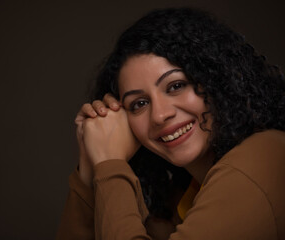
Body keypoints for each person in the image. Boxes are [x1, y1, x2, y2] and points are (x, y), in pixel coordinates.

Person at [56, 7, 285, 240]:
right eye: (140, 103)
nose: (159, 115)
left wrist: (110, 164)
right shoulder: (185, 194)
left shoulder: (262, 157)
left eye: (176, 86)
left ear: (217, 79)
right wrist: (91, 162)